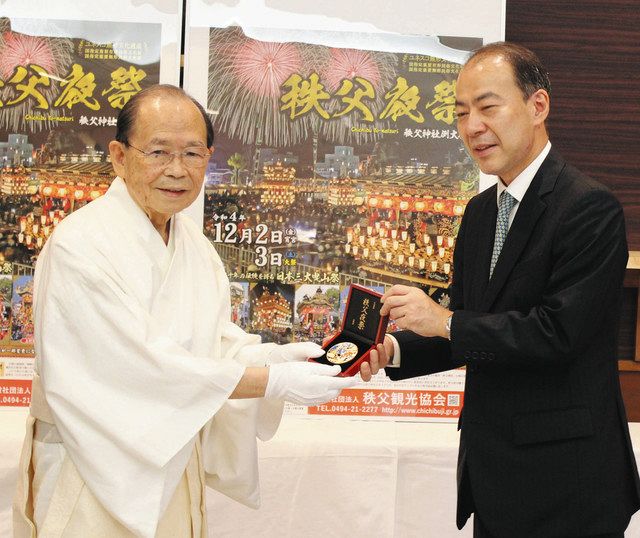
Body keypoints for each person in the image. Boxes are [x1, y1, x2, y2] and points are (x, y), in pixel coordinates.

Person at [13, 84, 377, 537]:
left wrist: (277, 360)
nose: (176, 171)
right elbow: (135, 367)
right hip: (89, 462)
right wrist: (271, 382)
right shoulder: (80, 246)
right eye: (159, 152)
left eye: (192, 154)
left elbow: (211, 345)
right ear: (119, 156)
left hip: (170, 456)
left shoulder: (193, 246)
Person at [372, 42, 640, 537]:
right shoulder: (478, 213)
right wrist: (390, 349)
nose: (472, 126)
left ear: (538, 106)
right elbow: (473, 320)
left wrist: (444, 320)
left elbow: (557, 334)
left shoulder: (589, 207)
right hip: (494, 475)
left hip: (568, 482)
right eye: (460, 113)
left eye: (488, 107)